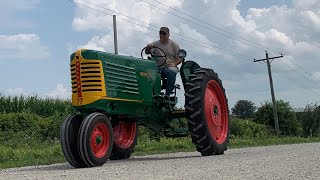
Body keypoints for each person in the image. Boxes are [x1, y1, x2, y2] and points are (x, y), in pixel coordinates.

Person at [146, 27, 181, 97]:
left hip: (169, 66)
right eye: (160, 33)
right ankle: (149, 93)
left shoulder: (174, 45)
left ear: (168, 35)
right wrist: (148, 47)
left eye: (164, 33)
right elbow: (147, 52)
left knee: (171, 71)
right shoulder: (155, 44)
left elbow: (180, 58)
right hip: (158, 67)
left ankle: (168, 93)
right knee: (146, 72)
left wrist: (174, 64)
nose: (162, 35)